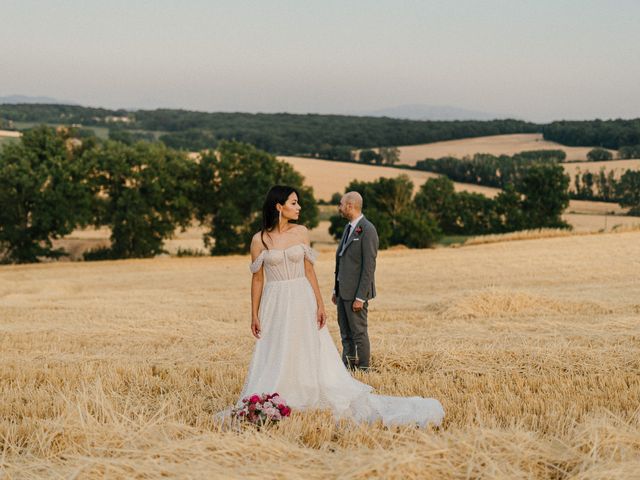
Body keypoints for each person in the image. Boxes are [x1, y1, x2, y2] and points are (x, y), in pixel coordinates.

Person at [232, 185, 444, 428]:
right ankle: (280, 391)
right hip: (275, 300)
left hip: (302, 297)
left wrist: (320, 304)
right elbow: (257, 279)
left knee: (307, 344)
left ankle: (310, 386)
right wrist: (254, 313)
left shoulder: (301, 232)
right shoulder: (259, 240)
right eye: (293, 203)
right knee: (278, 346)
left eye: (298, 202)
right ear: (278, 207)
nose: (299, 207)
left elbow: (309, 271)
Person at [332, 192, 377, 371]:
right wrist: (336, 290)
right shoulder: (348, 228)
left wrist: (361, 297)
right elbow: (342, 260)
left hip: (356, 294)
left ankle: (365, 370)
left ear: (350, 205)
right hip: (343, 292)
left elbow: (369, 267)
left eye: (341, 204)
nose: (339, 207)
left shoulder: (368, 229)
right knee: (345, 334)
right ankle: (348, 369)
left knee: (359, 333)